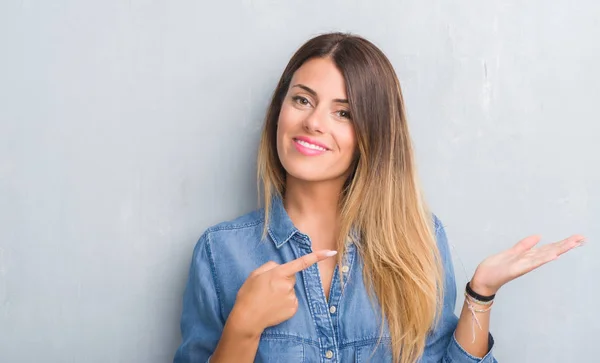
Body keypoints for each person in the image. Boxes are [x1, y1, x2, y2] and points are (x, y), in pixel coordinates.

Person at [173, 32, 585, 363]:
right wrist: (243, 327)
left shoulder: (418, 239)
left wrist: (481, 294)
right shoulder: (219, 252)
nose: (313, 122)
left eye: (343, 112)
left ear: (374, 133)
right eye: (302, 100)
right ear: (279, 111)